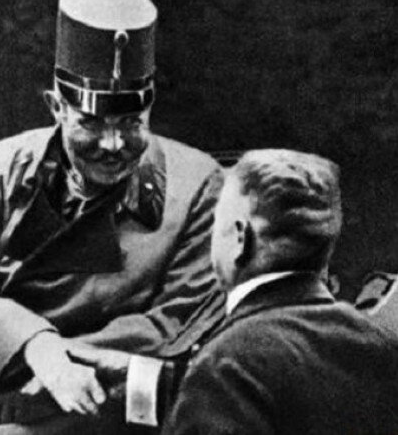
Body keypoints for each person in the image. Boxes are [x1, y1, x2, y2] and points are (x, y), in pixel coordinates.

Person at [0, 0, 225, 432]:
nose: (112, 144)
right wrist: (35, 348)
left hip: (109, 405)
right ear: (56, 107)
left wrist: (64, 367)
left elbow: (178, 322)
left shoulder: (199, 185)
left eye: (131, 123)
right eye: (91, 123)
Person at [68, 149, 398, 434]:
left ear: (240, 238)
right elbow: (299, 392)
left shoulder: (227, 362)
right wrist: (144, 378)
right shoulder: (381, 345)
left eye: (215, 223)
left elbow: (246, 379)